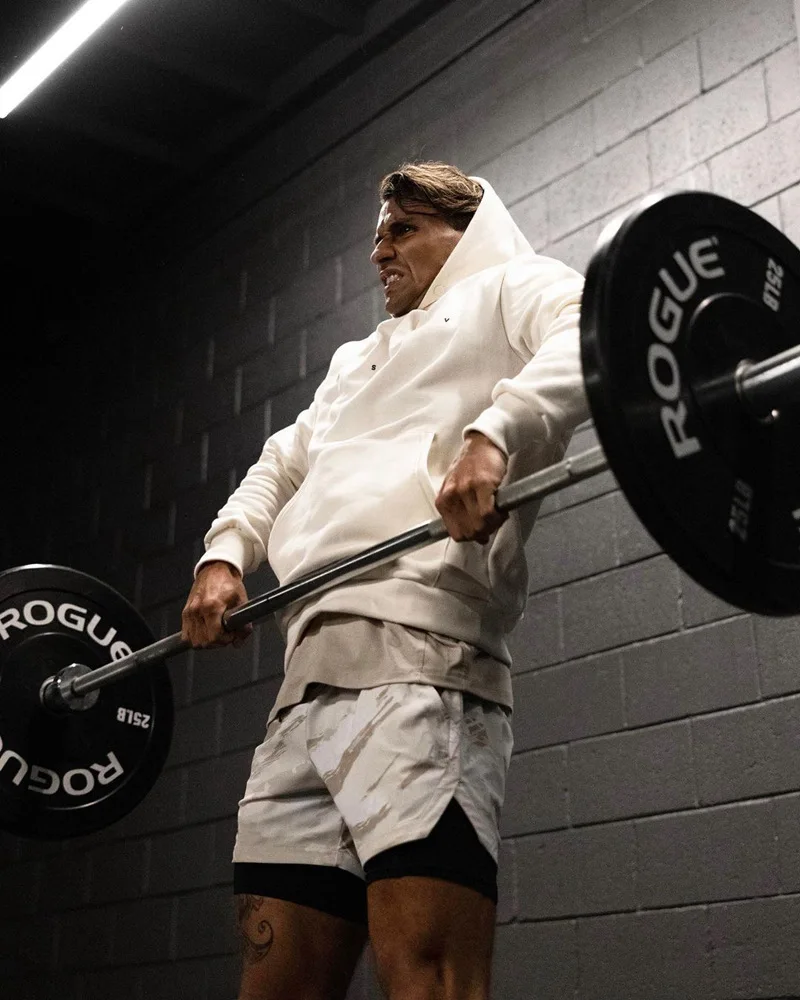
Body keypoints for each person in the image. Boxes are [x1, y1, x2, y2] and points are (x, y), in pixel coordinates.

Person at [181, 162, 588, 1000]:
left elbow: (592, 332)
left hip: (422, 670)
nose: (379, 252)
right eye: (377, 235)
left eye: (402, 230)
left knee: (429, 981)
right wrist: (224, 555)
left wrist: (493, 436)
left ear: (464, 235)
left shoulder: (512, 286)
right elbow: (280, 464)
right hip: (301, 697)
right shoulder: (354, 361)